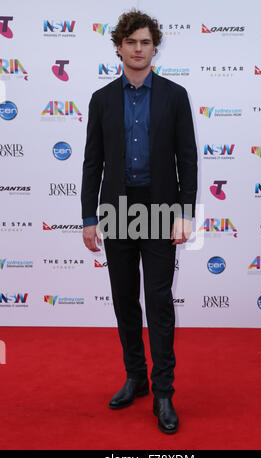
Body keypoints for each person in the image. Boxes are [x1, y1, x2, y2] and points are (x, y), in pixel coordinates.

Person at [81, 9, 197, 434]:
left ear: (154, 47)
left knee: (160, 301)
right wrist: (89, 216)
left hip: (161, 208)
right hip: (116, 209)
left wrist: (185, 213)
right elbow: (93, 162)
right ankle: (135, 377)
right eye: (131, 41)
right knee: (125, 299)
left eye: (145, 42)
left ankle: (163, 390)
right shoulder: (101, 100)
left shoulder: (174, 95)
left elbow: (187, 158)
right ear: (118, 46)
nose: (138, 48)